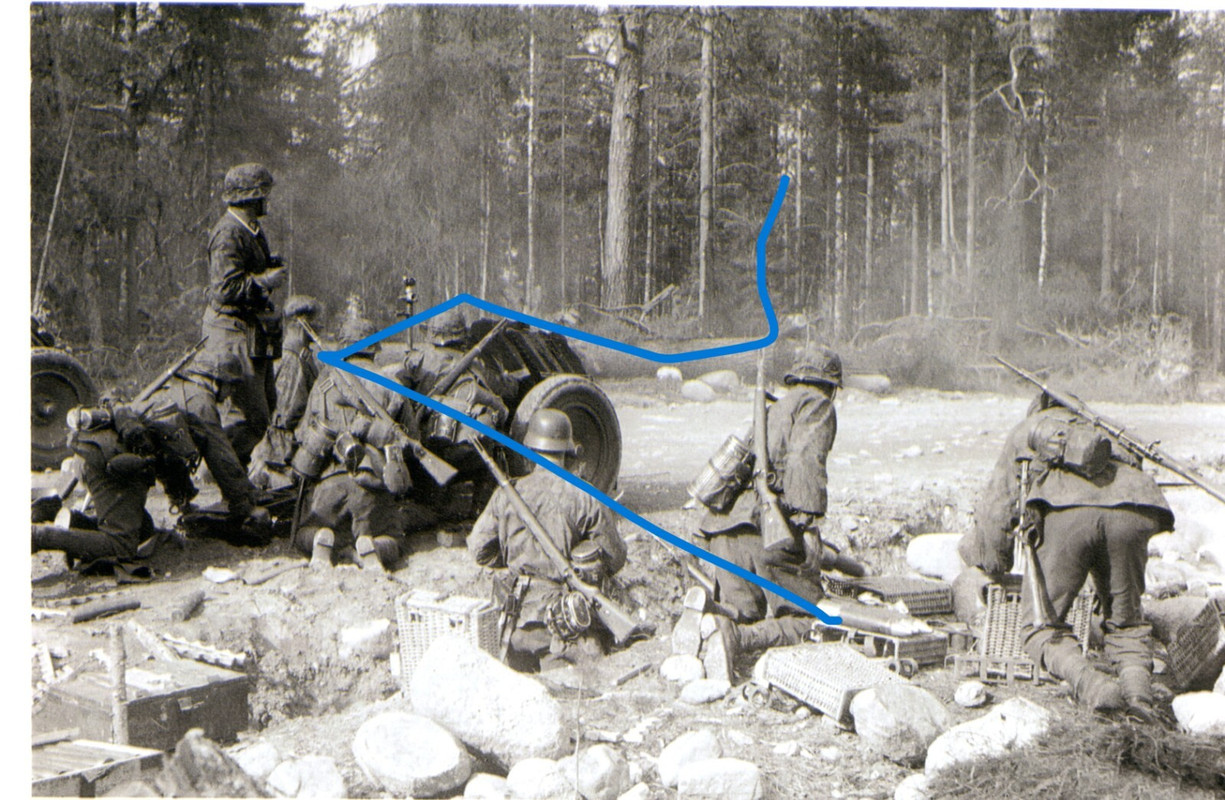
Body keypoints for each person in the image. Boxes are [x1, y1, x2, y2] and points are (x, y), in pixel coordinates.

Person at [959, 393, 1175, 717]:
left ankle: (1093, 686)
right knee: (1127, 623)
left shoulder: (1028, 430)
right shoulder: (1102, 429)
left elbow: (997, 507)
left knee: (1040, 628)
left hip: (1068, 514)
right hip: (1136, 510)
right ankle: (1140, 699)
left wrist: (992, 562)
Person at [683, 346, 847, 681]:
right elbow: (804, 460)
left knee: (743, 614)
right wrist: (807, 523)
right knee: (815, 621)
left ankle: (712, 634)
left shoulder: (773, 410)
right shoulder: (816, 404)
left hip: (723, 531)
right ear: (829, 385)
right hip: (765, 529)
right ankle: (735, 638)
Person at [467, 409, 627, 672]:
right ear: (569, 451)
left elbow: (479, 551)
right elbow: (615, 557)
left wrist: (515, 557)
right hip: (561, 627)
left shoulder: (507, 493)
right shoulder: (583, 496)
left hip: (513, 624)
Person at [291, 317, 414, 572]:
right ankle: (374, 546)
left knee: (301, 533)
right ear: (374, 348)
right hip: (373, 483)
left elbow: (304, 434)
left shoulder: (324, 382)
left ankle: (319, 539)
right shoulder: (393, 384)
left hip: (330, 482)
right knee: (394, 538)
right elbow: (411, 440)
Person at [32, 401, 197, 571]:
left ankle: (75, 521)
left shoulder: (158, 413)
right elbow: (175, 476)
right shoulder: (178, 429)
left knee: (144, 530)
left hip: (92, 452)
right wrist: (187, 509)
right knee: (122, 545)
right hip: (109, 465)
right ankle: (39, 536)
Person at [198, 162, 286, 467]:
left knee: (266, 407)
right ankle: (225, 476)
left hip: (250, 332)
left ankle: (234, 475)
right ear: (251, 197)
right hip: (231, 332)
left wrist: (266, 264)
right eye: (263, 194)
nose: (267, 200)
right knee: (250, 417)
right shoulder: (228, 234)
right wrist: (265, 281)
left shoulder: (249, 229)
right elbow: (225, 289)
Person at [399, 307, 518, 516]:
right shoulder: (474, 364)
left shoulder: (416, 360)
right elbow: (502, 398)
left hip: (422, 449)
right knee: (493, 432)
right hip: (461, 452)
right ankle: (481, 506)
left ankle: (433, 495)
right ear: (461, 335)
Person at [248, 295, 323, 491]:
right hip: (282, 448)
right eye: (313, 324)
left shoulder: (297, 355)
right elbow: (288, 410)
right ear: (301, 325)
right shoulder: (293, 359)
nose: (317, 330)